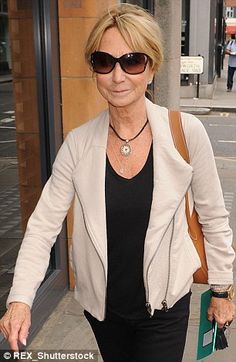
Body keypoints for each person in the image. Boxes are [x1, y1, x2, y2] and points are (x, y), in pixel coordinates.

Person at [0, 4, 235, 361]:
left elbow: (214, 218)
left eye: (132, 61)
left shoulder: (185, 133)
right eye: (104, 62)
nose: (118, 75)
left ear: (151, 67)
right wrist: (20, 299)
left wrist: (221, 290)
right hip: (104, 311)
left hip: (166, 306)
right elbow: (43, 226)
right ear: (95, 69)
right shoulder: (78, 144)